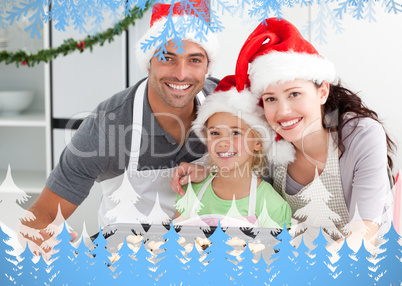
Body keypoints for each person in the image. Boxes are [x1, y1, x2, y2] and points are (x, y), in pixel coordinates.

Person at [173, 18, 396, 248]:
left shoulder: (360, 134)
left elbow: (365, 230)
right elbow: (238, 156)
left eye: (294, 94)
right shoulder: (273, 143)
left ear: (322, 92)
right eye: (271, 99)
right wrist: (206, 170)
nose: (283, 111)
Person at [23, 2, 220, 246]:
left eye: (194, 60)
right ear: (149, 62)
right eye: (167, 58)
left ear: (207, 66)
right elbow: (41, 213)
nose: (181, 73)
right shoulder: (108, 124)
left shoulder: (225, 106)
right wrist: (43, 237)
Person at [174, 78, 293, 228]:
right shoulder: (189, 192)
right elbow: (177, 242)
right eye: (215, 133)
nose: (222, 142)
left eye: (236, 132)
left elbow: (276, 250)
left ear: (258, 143)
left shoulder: (272, 205)